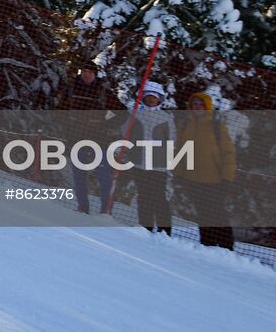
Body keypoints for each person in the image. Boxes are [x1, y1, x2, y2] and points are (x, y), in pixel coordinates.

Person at [57, 60, 124, 214]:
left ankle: (106, 211)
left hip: (98, 138)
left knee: (103, 175)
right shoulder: (72, 88)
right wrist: (67, 125)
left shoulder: (103, 92)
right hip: (76, 137)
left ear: (95, 74)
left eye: (90, 72)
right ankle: (82, 208)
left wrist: (107, 125)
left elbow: (123, 112)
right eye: (84, 71)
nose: (87, 75)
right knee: (79, 174)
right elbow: (60, 109)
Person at [176, 91, 237, 249]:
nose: (197, 107)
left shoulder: (216, 126)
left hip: (215, 179)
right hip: (193, 179)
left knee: (218, 214)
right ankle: (207, 245)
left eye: (200, 104)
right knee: (202, 213)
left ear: (207, 106)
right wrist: (179, 173)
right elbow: (181, 151)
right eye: (194, 104)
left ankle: (226, 246)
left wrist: (227, 177)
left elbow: (228, 153)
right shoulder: (185, 125)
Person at [127, 80, 175, 235]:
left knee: (159, 197)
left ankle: (165, 229)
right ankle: (145, 226)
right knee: (143, 196)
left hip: (158, 165)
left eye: (153, 98)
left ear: (159, 99)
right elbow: (125, 132)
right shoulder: (136, 114)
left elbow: (173, 139)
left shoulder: (166, 118)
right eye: (148, 97)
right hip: (139, 163)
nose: (150, 100)